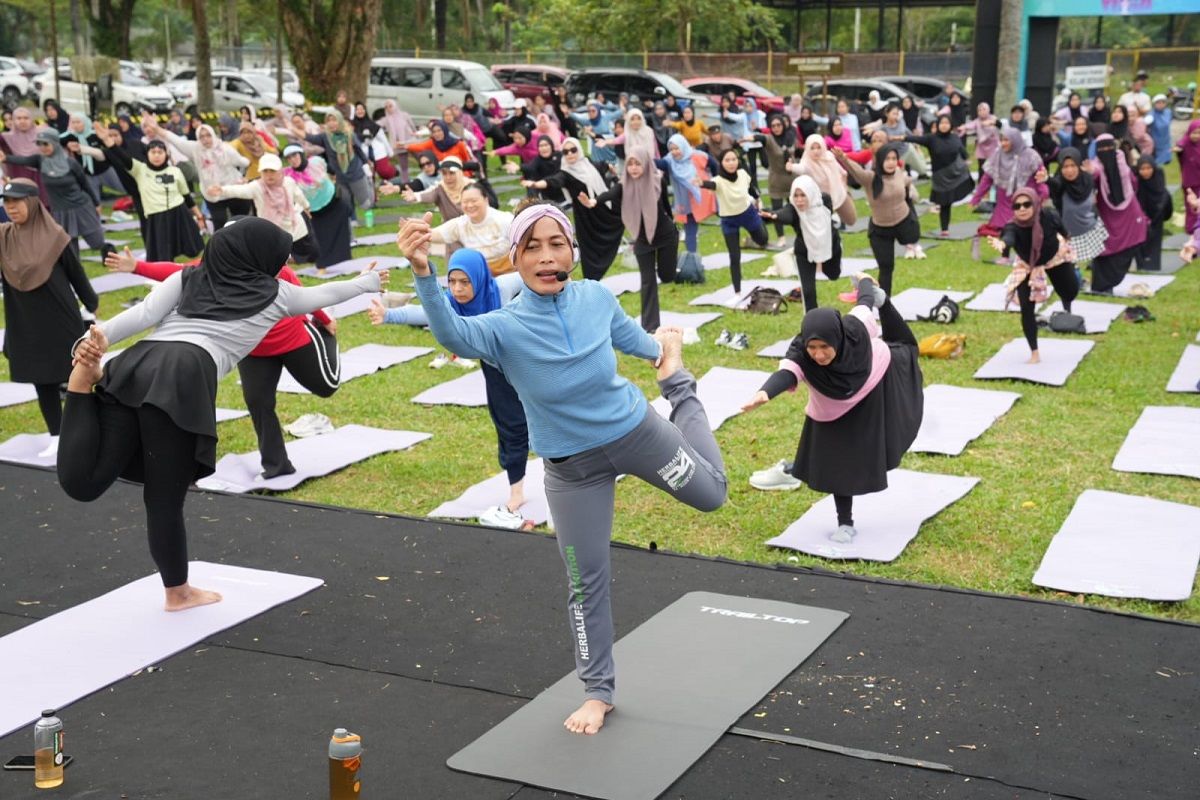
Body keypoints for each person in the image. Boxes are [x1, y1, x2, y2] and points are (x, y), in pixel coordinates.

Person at [397, 202, 728, 735]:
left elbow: (635, 342)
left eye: (558, 244)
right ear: (515, 258)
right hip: (574, 472)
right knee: (586, 581)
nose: (547, 257)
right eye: (532, 246)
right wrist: (422, 272)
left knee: (713, 495)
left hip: (638, 434)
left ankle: (681, 391)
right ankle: (598, 691)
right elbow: (453, 336)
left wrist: (664, 355)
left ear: (573, 250)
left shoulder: (595, 297)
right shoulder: (503, 328)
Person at [57, 218, 386, 612]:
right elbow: (325, 293)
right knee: (163, 498)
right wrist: (367, 283)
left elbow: (142, 315)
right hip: (183, 375)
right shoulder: (277, 293)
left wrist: (94, 339)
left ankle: (79, 387)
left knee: (84, 483)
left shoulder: (187, 277)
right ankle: (177, 594)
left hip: (135, 363)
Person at [104, 247, 342, 478]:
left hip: (292, 340)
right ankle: (276, 465)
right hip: (254, 349)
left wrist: (325, 319)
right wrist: (136, 266)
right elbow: (178, 271)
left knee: (326, 387)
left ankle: (322, 333)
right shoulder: (217, 269)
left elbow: (306, 296)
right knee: (259, 404)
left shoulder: (276, 270)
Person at [741, 273, 922, 544]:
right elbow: (789, 372)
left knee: (906, 346)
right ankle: (844, 521)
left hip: (878, 375)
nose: (818, 354)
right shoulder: (801, 352)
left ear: (837, 339)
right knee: (839, 461)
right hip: (831, 404)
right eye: (812, 347)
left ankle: (885, 300)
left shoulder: (855, 329)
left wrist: (865, 283)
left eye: (825, 347)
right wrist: (765, 392)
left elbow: (863, 302)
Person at [370, 248, 531, 521]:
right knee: (510, 427)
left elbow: (529, 276)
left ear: (479, 279)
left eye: (465, 282)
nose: (457, 289)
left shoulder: (501, 288)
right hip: (496, 371)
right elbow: (423, 313)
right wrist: (388, 315)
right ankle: (517, 489)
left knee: (548, 419)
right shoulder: (450, 303)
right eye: (452, 282)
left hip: (529, 363)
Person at [0, 178, 99, 456]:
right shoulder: (4, 237)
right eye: (7, 202)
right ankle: (57, 436)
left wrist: (92, 304)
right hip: (24, 321)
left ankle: (89, 433)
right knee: (41, 379)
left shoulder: (54, 236)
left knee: (76, 376)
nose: (11, 208)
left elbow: (75, 272)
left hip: (58, 319)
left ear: (31, 202)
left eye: (16, 201)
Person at [580, 146, 678, 330]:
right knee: (648, 281)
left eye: (637, 164)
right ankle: (650, 326)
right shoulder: (624, 185)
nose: (633, 168)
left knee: (667, 276)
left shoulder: (658, 180)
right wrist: (593, 202)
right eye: (630, 164)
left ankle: (672, 268)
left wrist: (673, 226)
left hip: (666, 235)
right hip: (642, 239)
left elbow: (666, 206)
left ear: (646, 164)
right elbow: (610, 194)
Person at [986, 188, 1079, 363]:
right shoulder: (1012, 226)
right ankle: (1034, 352)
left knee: (1070, 293)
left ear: (1035, 204)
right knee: (1026, 310)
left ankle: (1074, 279)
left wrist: (1067, 241)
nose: (1022, 209)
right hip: (1028, 264)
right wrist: (1002, 244)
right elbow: (1009, 238)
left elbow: (1063, 230)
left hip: (1054, 257)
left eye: (1027, 204)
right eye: (1017, 206)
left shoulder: (1049, 216)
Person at [94, 126, 205, 262]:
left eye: (160, 152)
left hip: (178, 214)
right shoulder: (140, 170)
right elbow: (123, 157)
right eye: (153, 152)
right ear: (147, 154)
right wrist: (107, 140)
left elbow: (187, 197)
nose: (157, 155)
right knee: (163, 257)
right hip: (157, 217)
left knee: (194, 251)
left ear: (166, 154)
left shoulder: (175, 171)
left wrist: (199, 216)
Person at [523, 137, 623, 280]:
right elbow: (552, 181)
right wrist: (535, 184)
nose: (570, 154)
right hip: (585, 216)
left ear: (579, 151)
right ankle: (592, 277)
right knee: (589, 247)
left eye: (573, 150)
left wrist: (611, 169)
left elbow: (602, 165)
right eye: (566, 151)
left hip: (602, 208)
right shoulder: (565, 173)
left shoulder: (588, 163)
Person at [0, 130, 109, 260]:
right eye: (39, 144)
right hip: (60, 210)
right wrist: (6, 158)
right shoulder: (39, 161)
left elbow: (84, 184)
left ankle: (109, 253)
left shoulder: (71, 163)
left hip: (81, 207)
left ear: (55, 143)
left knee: (96, 242)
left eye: (46, 144)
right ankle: (75, 270)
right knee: (68, 244)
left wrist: (96, 203)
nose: (42, 148)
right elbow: (23, 160)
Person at [833, 143, 922, 294]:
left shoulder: (899, 172)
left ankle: (910, 244)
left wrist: (911, 191)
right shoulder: (871, 178)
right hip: (881, 229)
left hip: (904, 221)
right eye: (887, 159)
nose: (891, 162)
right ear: (880, 160)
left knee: (913, 237)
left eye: (894, 159)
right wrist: (844, 158)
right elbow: (858, 172)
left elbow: (906, 181)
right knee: (886, 267)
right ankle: (884, 303)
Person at [146, 117, 251, 230]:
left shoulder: (225, 148)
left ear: (213, 135)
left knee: (241, 221)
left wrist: (246, 177)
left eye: (208, 135)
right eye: (202, 136)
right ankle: (221, 246)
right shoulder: (195, 149)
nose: (205, 139)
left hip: (233, 188)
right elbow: (176, 140)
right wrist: (156, 128)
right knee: (220, 223)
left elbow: (244, 162)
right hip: (212, 193)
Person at [210, 153, 316, 264]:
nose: (269, 175)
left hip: (292, 222)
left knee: (309, 251)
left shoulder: (288, 182)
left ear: (280, 171)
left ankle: (294, 257)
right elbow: (240, 190)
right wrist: (222, 190)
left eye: (272, 171)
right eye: (265, 171)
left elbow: (298, 195)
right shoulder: (257, 187)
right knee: (271, 253)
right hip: (270, 227)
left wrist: (306, 206)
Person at [760, 175, 842, 311]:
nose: (799, 200)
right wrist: (775, 216)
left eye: (803, 195)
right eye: (796, 195)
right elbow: (786, 214)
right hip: (804, 251)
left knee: (833, 275)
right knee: (808, 291)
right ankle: (812, 323)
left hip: (830, 246)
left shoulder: (824, 200)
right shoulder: (793, 209)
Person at [697, 148, 768, 295]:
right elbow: (711, 185)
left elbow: (750, 188)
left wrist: (757, 198)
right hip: (729, 220)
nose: (731, 163)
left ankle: (759, 221)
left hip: (748, 214)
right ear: (721, 163)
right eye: (727, 160)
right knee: (734, 256)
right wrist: (700, 183)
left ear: (738, 161)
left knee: (762, 240)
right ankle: (737, 291)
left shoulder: (742, 174)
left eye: (733, 159)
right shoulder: (718, 180)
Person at [1088, 134, 1147, 294]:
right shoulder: (1096, 166)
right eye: (1102, 148)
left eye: (1109, 147)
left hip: (1128, 213)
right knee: (1104, 251)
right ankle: (1102, 286)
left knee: (1130, 243)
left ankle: (1113, 281)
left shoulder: (1122, 162)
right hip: (1107, 217)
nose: (1106, 151)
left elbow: (1133, 182)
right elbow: (1093, 174)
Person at [969, 128, 1047, 247]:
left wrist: (1042, 195)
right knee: (1006, 231)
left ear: (1015, 140)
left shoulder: (1031, 156)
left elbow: (1040, 178)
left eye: (1006, 140)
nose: (1003, 143)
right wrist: (976, 199)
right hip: (1005, 200)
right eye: (1002, 140)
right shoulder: (998, 154)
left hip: (1026, 199)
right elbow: (987, 179)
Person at [282, 145, 352, 272]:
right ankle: (322, 265)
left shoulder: (316, 162)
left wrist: (333, 179)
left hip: (332, 203)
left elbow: (332, 170)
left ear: (301, 154)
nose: (293, 160)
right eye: (289, 158)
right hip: (312, 211)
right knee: (318, 239)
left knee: (339, 229)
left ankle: (338, 257)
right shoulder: (287, 176)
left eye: (295, 155)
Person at [905, 115, 975, 237]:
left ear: (950, 125)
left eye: (947, 123)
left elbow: (962, 150)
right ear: (938, 125)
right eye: (941, 123)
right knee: (944, 203)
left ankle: (945, 228)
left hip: (955, 173)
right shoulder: (931, 138)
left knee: (950, 201)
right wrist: (900, 138)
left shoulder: (955, 137)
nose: (944, 125)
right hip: (940, 177)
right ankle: (944, 228)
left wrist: (966, 159)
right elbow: (916, 139)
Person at [1043, 148, 1108, 269]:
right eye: (1065, 166)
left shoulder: (1087, 179)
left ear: (1079, 165)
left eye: (1073, 165)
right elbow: (1056, 184)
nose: (1069, 170)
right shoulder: (1060, 183)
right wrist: (1047, 179)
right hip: (1068, 233)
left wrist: (1093, 172)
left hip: (1091, 229)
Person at [660, 133, 716, 273]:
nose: (674, 152)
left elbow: (715, 165)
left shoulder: (698, 156)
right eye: (671, 149)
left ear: (683, 146)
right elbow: (658, 163)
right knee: (690, 228)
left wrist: (715, 181)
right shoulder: (669, 161)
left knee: (727, 214)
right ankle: (692, 258)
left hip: (703, 195)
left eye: (677, 148)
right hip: (686, 200)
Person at [428, 184, 515, 274]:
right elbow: (433, 235)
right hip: (481, 276)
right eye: (465, 202)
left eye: (474, 201)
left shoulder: (505, 219)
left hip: (510, 273)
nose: (469, 205)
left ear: (486, 200)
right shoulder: (460, 224)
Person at [305, 111, 374, 220]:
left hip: (355, 174)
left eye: (334, 120)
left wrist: (367, 164)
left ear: (340, 121)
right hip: (341, 177)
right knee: (346, 203)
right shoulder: (325, 137)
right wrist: (290, 128)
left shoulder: (349, 134)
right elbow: (309, 138)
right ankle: (352, 221)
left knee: (365, 203)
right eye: (328, 121)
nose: (331, 123)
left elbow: (359, 150)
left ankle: (369, 186)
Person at [747, 115, 798, 246]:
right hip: (776, 180)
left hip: (793, 179)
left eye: (778, 125)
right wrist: (748, 138)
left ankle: (800, 234)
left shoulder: (790, 137)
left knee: (796, 208)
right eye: (773, 126)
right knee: (777, 210)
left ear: (783, 125)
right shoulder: (769, 139)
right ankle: (781, 237)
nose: (776, 128)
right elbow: (760, 138)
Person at [790, 133, 855, 227]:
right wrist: (792, 167)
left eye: (818, 147)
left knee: (851, 219)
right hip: (820, 201)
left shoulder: (829, 156)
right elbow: (802, 168)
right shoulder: (807, 161)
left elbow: (841, 171)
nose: (816, 151)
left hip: (838, 192)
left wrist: (843, 184)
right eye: (812, 148)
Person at [386, 154, 469, 221]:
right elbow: (427, 193)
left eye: (451, 173)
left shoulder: (470, 186)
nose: (448, 177)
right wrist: (414, 196)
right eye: (444, 174)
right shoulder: (440, 188)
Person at [0, 107, 49, 204]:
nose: (22, 121)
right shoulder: (7, 138)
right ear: (14, 120)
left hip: (42, 178)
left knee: (45, 207)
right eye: (18, 118)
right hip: (21, 179)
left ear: (31, 119)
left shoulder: (42, 134)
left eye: (26, 118)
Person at [1134, 156, 1172, 272]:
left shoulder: (1159, 181)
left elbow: (1164, 198)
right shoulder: (1136, 183)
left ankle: (1153, 265)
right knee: (1140, 240)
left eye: (1148, 168)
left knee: (1155, 239)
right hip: (1140, 217)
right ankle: (1141, 264)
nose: (1145, 172)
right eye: (1142, 169)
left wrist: (1159, 209)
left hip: (1157, 216)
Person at [1175, 120, 1200, 234]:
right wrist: (1179, 148)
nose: (1196, 136)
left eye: (1199, 133)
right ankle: (1191, 229)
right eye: (1194, 133)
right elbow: (1181, 143)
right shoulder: (1186, 143)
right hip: (1190, 183)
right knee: (1191, 207)